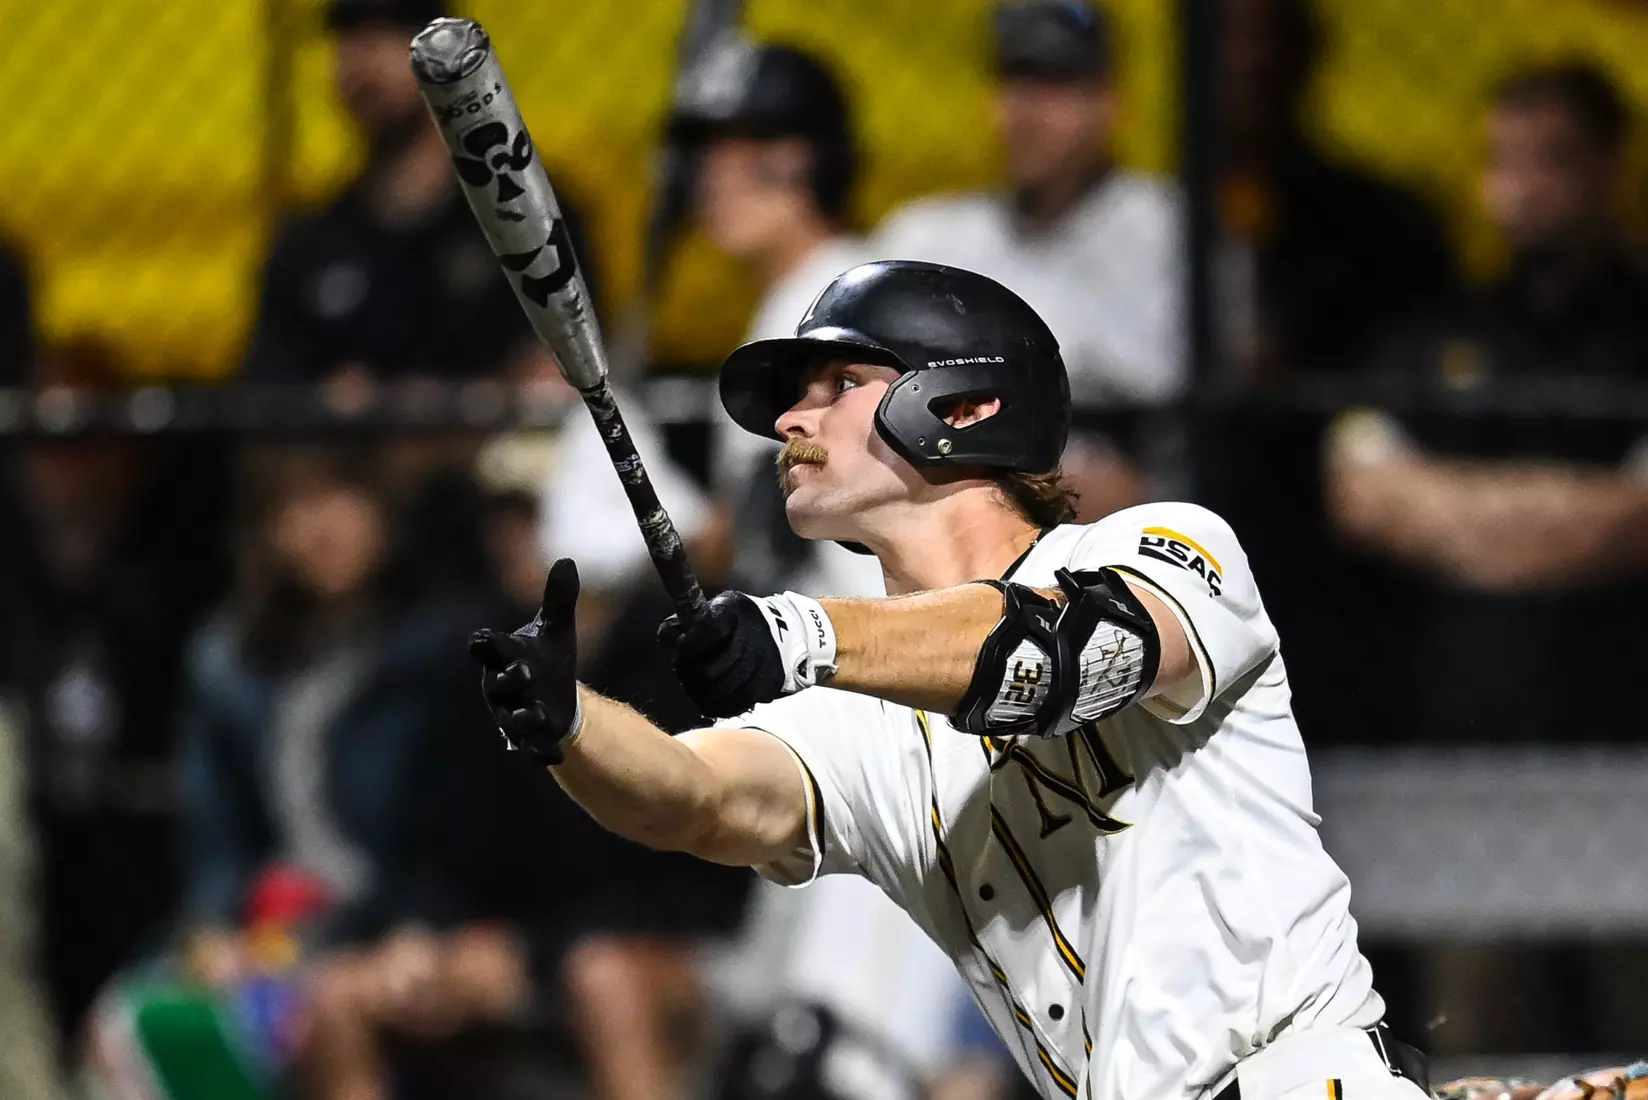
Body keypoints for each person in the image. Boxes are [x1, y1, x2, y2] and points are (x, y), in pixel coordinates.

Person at [469, 260, 1431, 1100]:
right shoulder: (859, 719)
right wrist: (574, 728)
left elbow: (1066, 655)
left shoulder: (1167, 545)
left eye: (839, 382)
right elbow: (698, 798)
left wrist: (806, 631)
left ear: (964, 406)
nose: (792, 422)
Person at [1323, 62, 1648, 1056]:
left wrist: (1459, 514)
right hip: (1468, 744)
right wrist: (1571, 518)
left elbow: (1638, 521)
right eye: (1501, 161)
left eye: (1550, 160)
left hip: (1624, 740)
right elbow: (1364, 494)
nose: (1521, 187)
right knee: (1475, 1042)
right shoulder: (1443, 333)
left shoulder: (1639, 329)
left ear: (1606, 169)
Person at [873, 0, 1184, 519]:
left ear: (1110, 103)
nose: (1028, 112)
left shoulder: (1170, 232)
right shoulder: (928, 236)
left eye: (1055, 86)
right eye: (1015, 83)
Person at [240, 0, 587, 391]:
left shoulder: (530, 214)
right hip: (359, 453)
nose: (364, 62)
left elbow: (570, 387)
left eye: (390, 34)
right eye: (348, 37)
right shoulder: (310, 246)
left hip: (506, 451)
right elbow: (265, 425)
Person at [671, 35, 884, 597]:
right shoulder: (803, 291)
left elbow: (755, 532)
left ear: (816, 157)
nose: (719, 174)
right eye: (710, 149)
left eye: (755, 146)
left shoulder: (836, 297)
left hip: (857, 621)